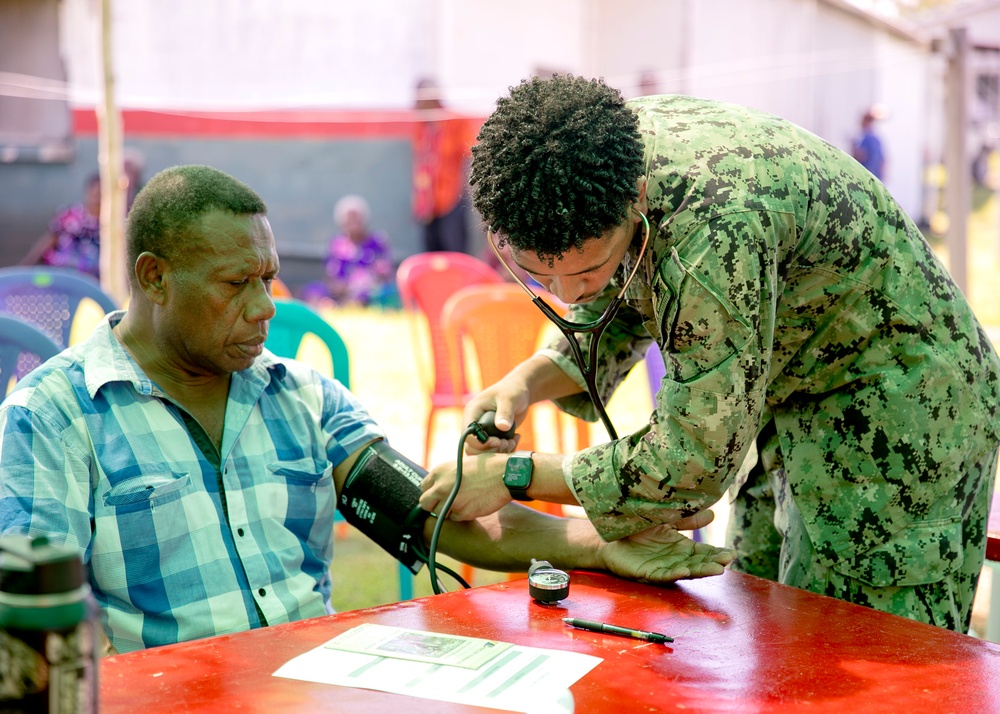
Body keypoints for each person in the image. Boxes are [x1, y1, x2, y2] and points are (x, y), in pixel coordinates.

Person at [0, 164, 733, 654]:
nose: (264, 308)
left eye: (270, 278)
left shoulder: (301, 397)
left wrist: (598, 545)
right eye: (235, 284)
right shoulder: (54, 417)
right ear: (154, 278)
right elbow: (35, 629)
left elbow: (434, 511)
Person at [418, 75, 1000, 633]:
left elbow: (691, 461)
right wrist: (524, 383)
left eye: (589, 270)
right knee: (769, 637)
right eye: (540, 275)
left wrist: (515, 476)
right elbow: (616, 299)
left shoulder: (714, 231)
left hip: (904, 415)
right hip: (789, 399)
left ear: (638, 200)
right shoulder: (585, 160)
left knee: (872, 665)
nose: (570, 294)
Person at [411, 77, 478, 254]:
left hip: (452, 198)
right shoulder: (421, 126)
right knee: (431, 256)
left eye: (420, 100)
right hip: (428, 204)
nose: (416, 105)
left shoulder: (455, 121)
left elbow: (471, 152)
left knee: (454, 252)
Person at [303, 195, 395, 307]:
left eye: (356, 218)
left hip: (369, 291)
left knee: (385, 293)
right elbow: (330, 274)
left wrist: (361, 286)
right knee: (313, 289)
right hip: (341, 292)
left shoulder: (377, 241)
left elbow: (384, 273)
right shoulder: (336, 243)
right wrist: (338, 286)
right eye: (349, 219)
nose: (353, 223)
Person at [21, 172, 102, 280]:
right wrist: (25, 267)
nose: (96, 197)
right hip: (60, 271)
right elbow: (49, 240)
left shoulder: (114, 222)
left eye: (100, 193)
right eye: (94, 192)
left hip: (92, 277)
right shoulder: (70, 213)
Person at [852, 109, 886, 180]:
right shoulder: (877, 140)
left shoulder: (867, 139)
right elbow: (882, 161)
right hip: (876, 179)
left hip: (866, 177)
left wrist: (853, 147)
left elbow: (861, 156)